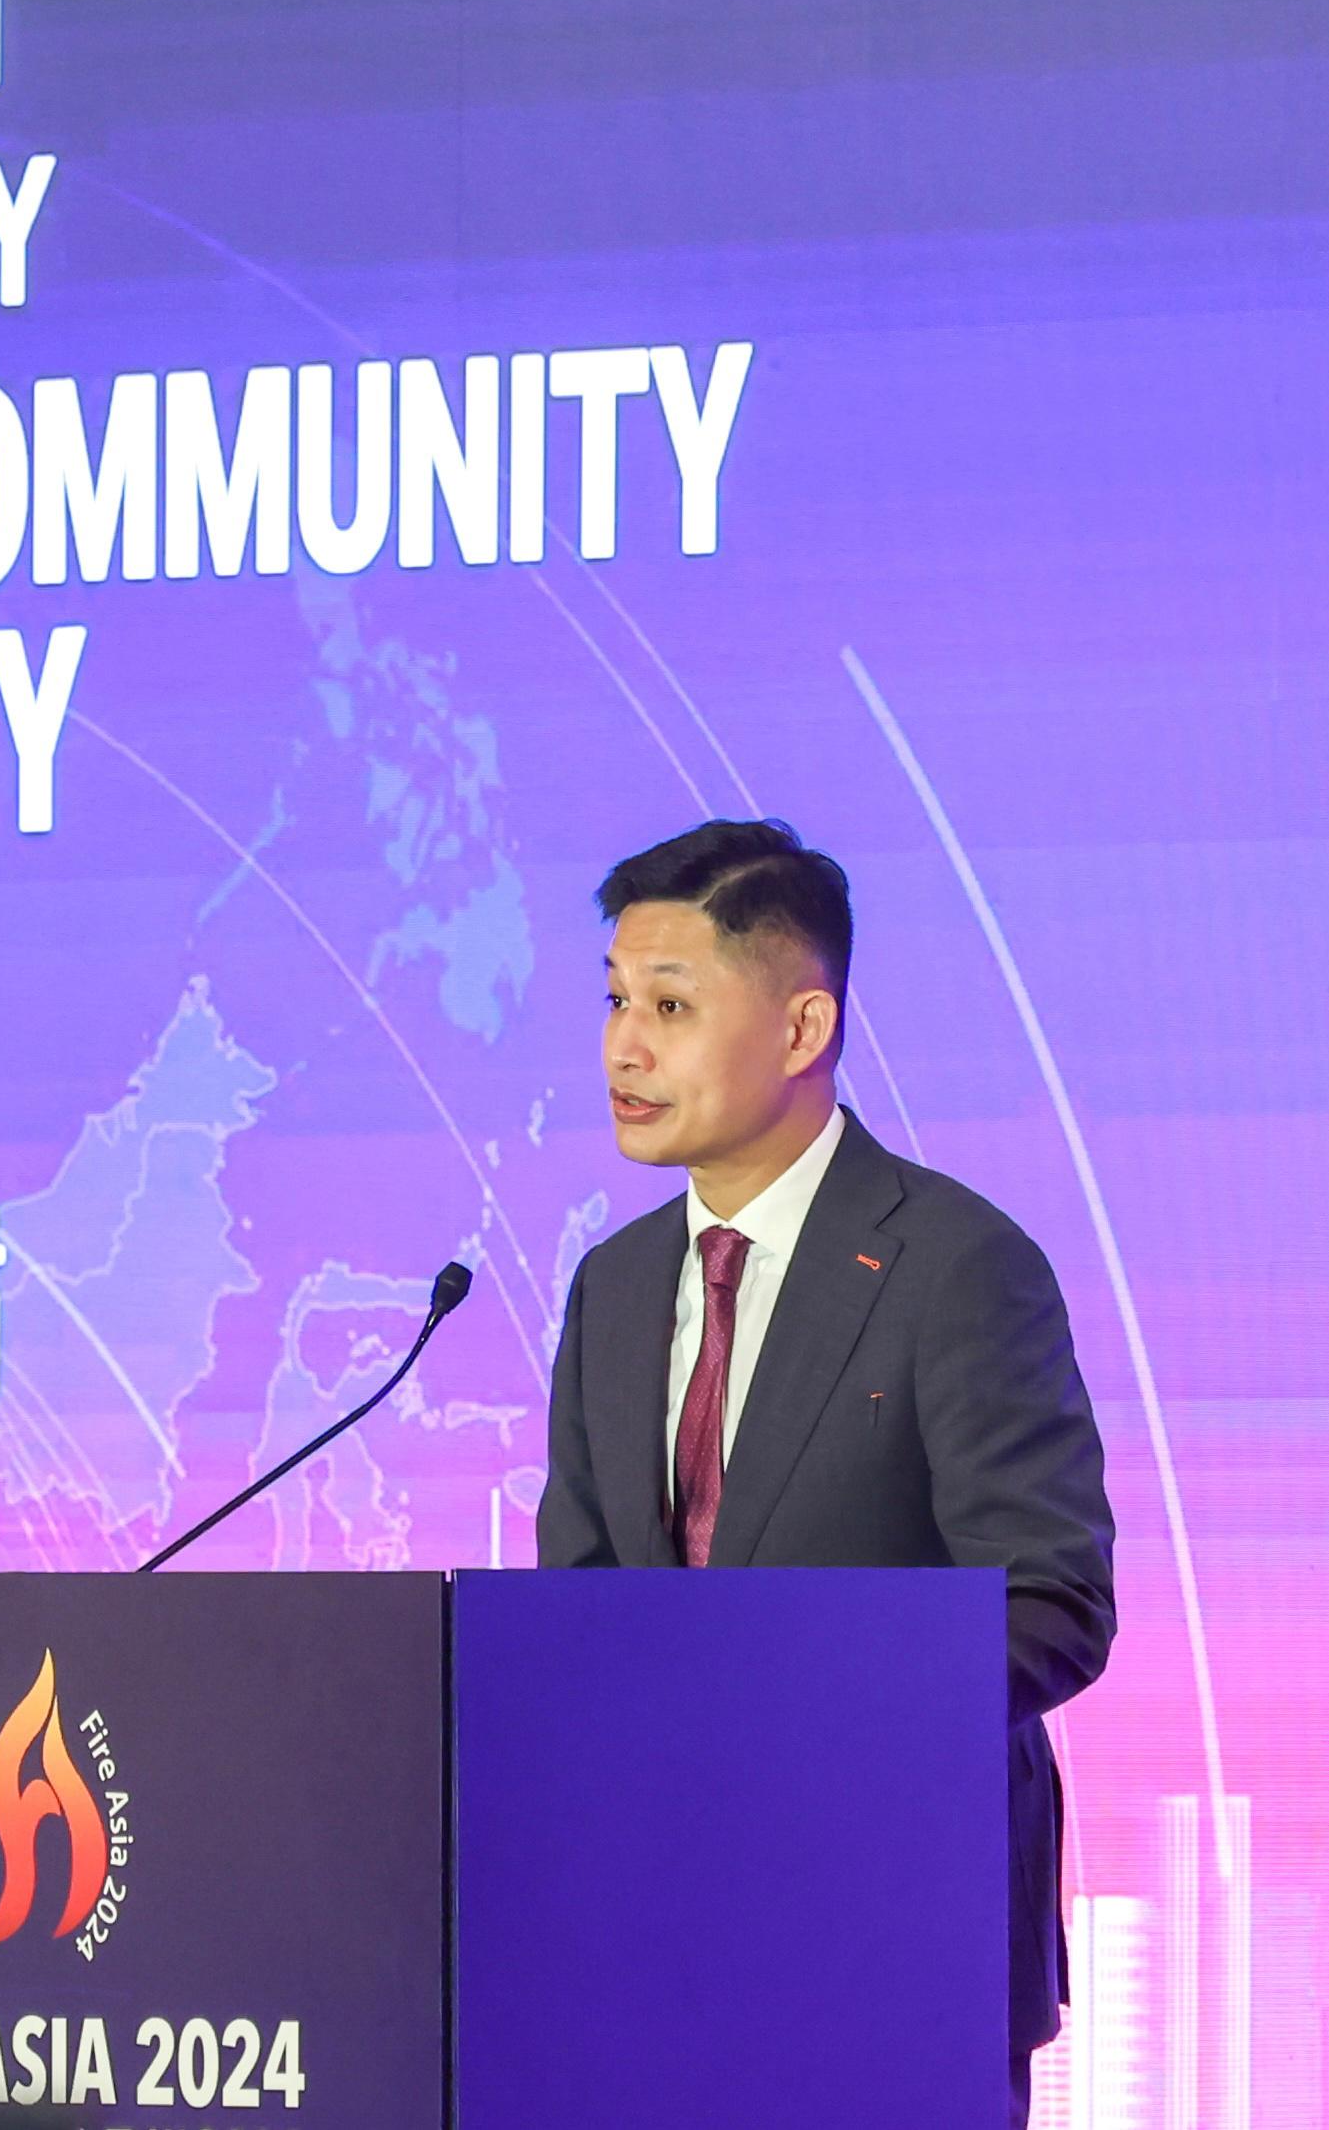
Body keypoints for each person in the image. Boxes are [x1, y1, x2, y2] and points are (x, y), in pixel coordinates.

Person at [538, 818, 1115, 2128]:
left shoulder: (955, 1265)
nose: (626, 1046)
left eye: (672, 1006)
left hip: (896, 1933)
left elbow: (1053, 1602)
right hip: (649, 1940)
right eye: (618, 1001)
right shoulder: (615, 1287)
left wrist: (788, 1714)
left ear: (803, 1030)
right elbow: (574, 1605)